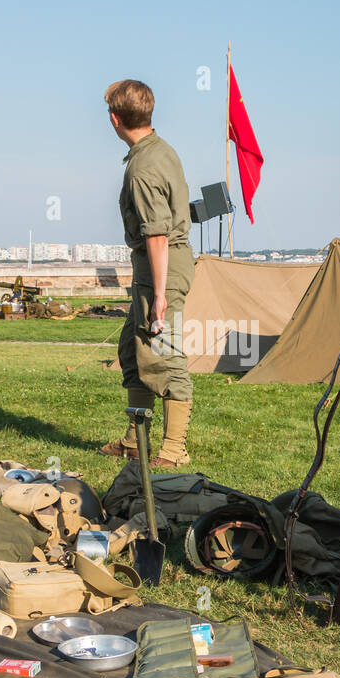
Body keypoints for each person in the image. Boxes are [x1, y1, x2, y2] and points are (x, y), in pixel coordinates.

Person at [98, 79, 195, 467]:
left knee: (164, 356)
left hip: (161, 267)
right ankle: (135, 441)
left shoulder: (143, 166)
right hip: (159, 265)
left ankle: (173, 451)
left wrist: (158, 295)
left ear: (114, 119)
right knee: (132, 350)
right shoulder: (158, 150)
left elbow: (156, 233)